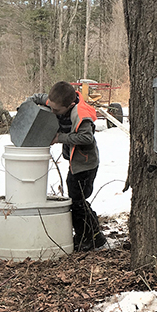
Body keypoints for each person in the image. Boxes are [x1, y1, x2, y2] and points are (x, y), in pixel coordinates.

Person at [27, 81, 107, 251]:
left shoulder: (80, 114)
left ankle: (88, 237)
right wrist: (26, 108)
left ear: (69, 105)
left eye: (56, 111)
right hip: (75, 163)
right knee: (77, 200)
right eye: (51, 107)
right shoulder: (55, 101)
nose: (53, 112)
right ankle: (92, 234)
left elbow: (87, 138)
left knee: (77, 201)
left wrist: (59, 138)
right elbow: (36, 98)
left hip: (86, 163)